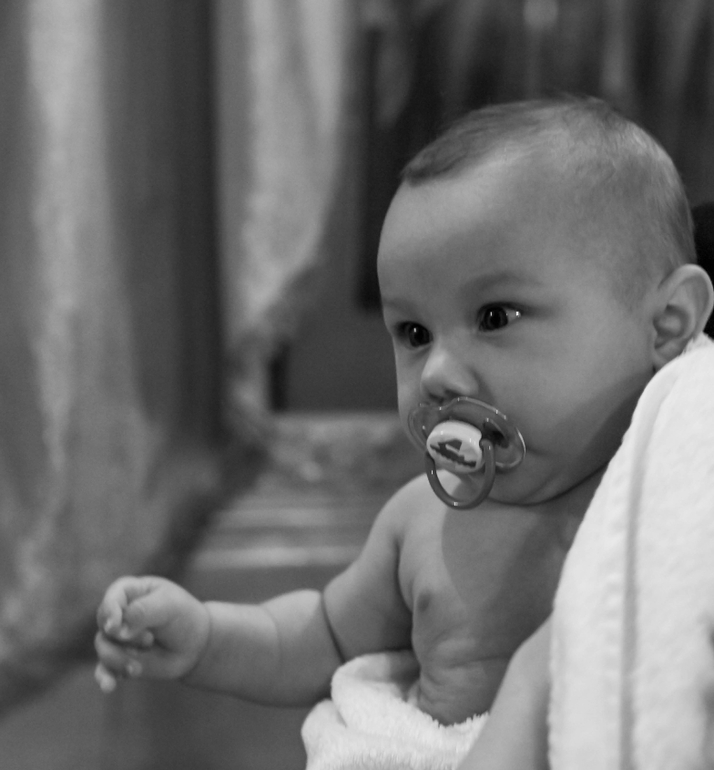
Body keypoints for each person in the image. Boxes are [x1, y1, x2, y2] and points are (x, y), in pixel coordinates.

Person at [95, 96, 713, 764]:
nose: (438, 373)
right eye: (414, 333)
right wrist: (205, 637)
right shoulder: (421, 520)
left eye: (496, 317)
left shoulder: (674, 497)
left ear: (667, 325)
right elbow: (320, 637)